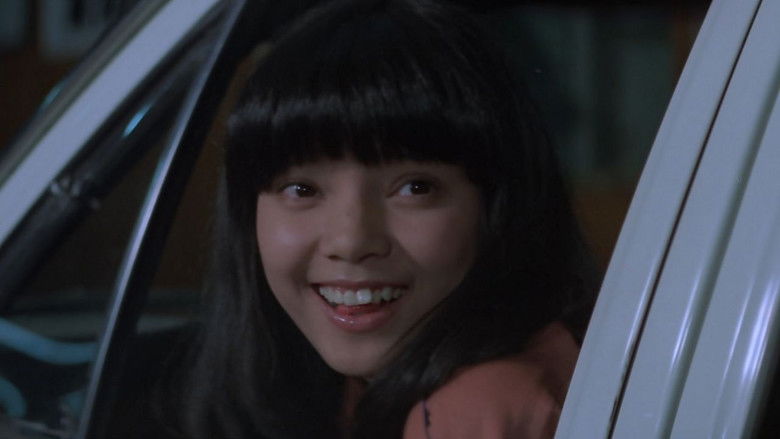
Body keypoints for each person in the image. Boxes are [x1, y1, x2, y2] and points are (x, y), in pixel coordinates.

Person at [171, 0, 595, 437]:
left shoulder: (472, 411)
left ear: (498, 205)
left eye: (415, 188)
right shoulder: (374, 384)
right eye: (302, 190)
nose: (351, 240)